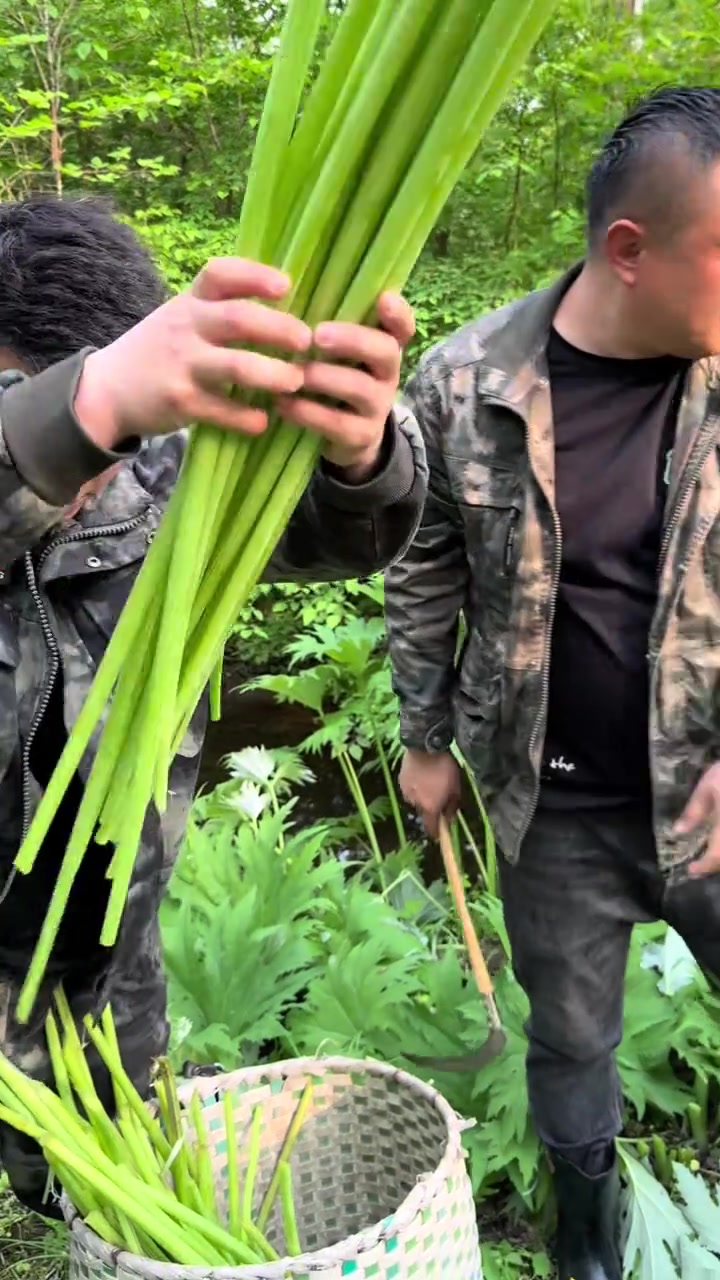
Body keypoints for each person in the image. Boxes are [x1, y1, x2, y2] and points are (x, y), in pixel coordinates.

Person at [0, 195, 426, 1217]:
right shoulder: (77, 424)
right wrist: (76, 413)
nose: (84, 482)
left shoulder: (158, 475)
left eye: (120, 432)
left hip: (106, 969)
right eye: (28, 393)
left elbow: (335, 531)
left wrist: (357, 452)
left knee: (117, 1203)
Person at [386, 85, 720, 1280]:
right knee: (571, 1043)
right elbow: (423, 567)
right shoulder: (464, 382)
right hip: (553, 808)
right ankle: (587, 1249)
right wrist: (425, 737)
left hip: (709, 800)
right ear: (630, 251)